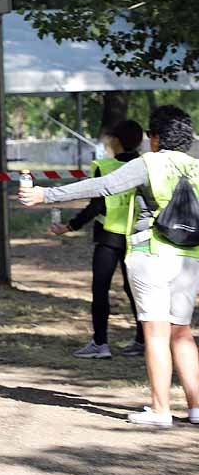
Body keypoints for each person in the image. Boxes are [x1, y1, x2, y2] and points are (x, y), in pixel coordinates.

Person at [19, 106, 199, 429]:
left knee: (156, 333)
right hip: (189, 259)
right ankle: (196, 407)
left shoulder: (149, 163)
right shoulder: (196, 168)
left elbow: (101, 187)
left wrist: (45, 195)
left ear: (155, 137)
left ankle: (161, 410)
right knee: (182, 334)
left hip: (151, 254)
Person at [51, 120, 145, 359]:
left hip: (109, 236)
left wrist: (71, 226)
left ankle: (100, 343)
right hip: (137, 236)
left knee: (100, 289)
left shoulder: (105, 166)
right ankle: (143, 339)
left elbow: (97, 203)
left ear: (117, 141)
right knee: (134, 289)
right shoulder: (145, 165)